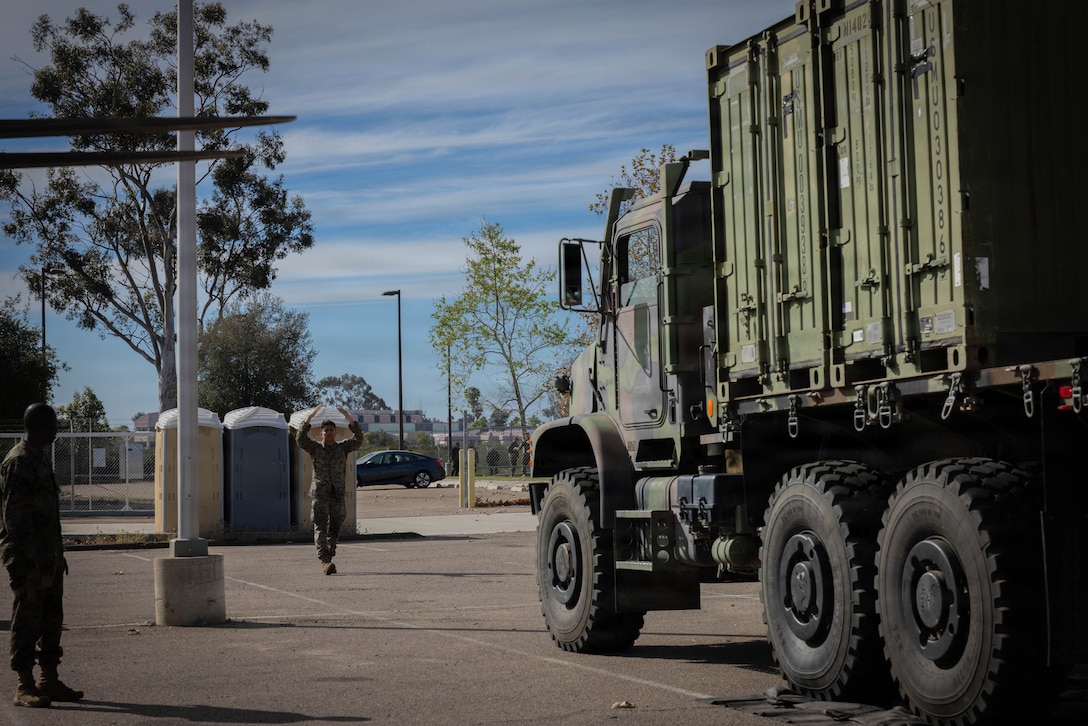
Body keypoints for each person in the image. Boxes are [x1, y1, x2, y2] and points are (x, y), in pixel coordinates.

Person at [0, 403, 83, 708]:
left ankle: (49, 679)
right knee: (27, 618)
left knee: (51, 617)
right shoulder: (19, 461)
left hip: (48, 556)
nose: (56, 430)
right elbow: (14, 518)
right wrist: (37, 554)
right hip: (27, 558)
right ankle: (24, 684)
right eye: (53, 424)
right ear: (38, 426)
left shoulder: (40, 457)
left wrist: (56, 554)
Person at [296, 406, 363, 575]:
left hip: (337, 495)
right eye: (325, 430)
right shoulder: (315, 448)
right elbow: (300, 439)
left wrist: (348, 417)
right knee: (320, 527)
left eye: (331, 430)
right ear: (321, 433)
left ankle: (330, 552)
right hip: (320, 494)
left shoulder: (343, 448)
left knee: (336, 525)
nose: (329, 432)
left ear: (335, 432)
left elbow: (359, 439)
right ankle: (325, 561)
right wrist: (311, 416)